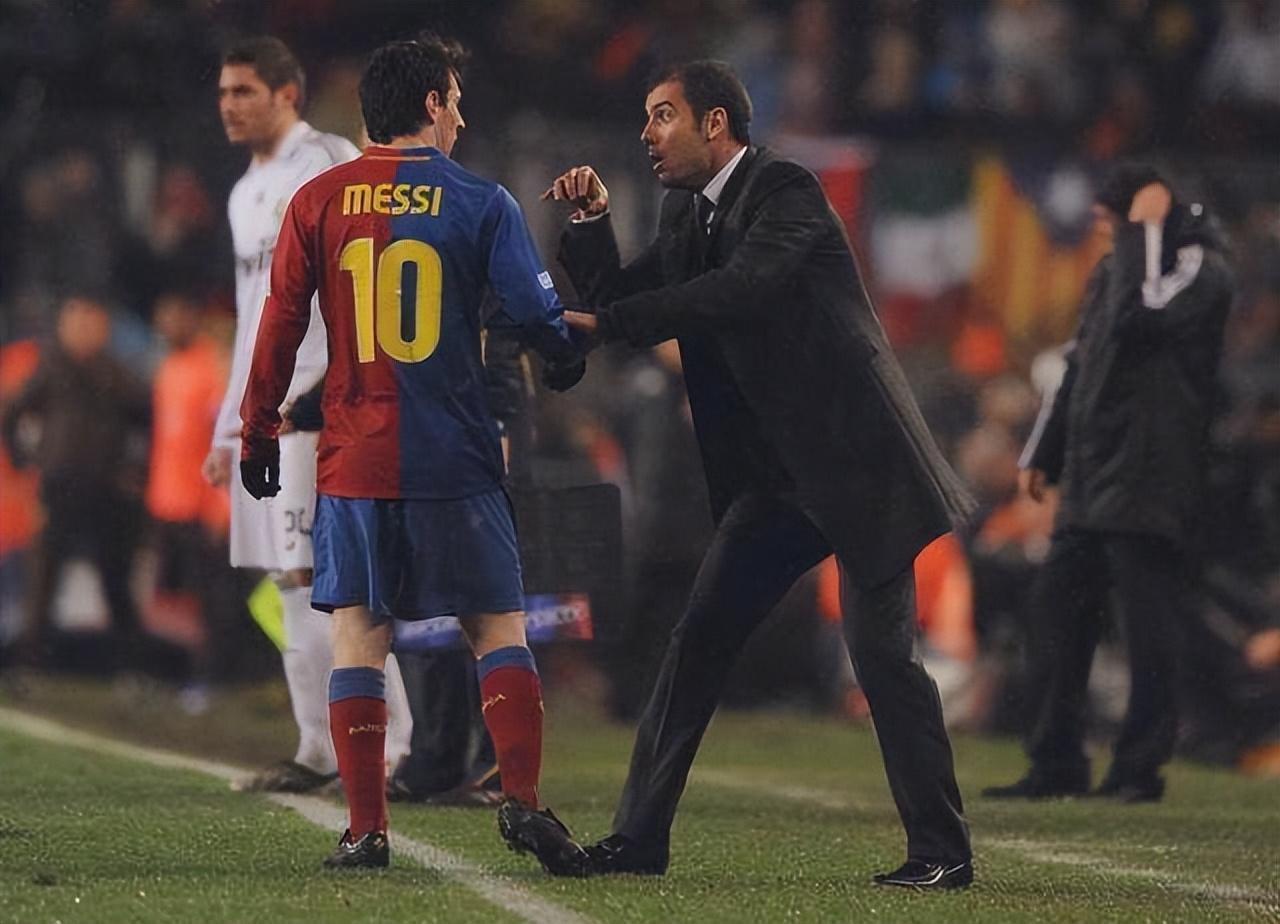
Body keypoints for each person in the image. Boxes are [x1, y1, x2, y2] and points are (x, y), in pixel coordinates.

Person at [545, 60, 974, 889]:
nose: (646, 133)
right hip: (779, 478)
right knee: (696, 643)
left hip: (856, 465)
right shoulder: (686, 210)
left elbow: (740, 292)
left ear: (715, 124)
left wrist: (607, 325)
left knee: (882, 659)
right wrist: (593, 224)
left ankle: (942, 851)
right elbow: (623, 296)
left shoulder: (786, 189)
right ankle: (638, 839)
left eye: (662, 114)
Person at [239, 35, 588, 872]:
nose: (460, 117)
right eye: (455, 101)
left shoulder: (316, 200)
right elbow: (536, 317)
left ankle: (366, 830)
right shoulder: (482, 201)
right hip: (455, 455)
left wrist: (257, 428)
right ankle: (523, 801)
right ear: (431, 103)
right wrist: (566, 350)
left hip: (354, 458)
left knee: (359, 635)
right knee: (495, 628)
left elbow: (279, 325)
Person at [983, 166, 1235, 803]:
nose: (1102, 233)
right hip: (1092, 481)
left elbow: (1141, 319)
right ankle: (1056, 761)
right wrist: (1045, 450)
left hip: (1150, 479)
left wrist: (1141, 231)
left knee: (1149, 632)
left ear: (1144, 212)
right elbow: (1079, 363)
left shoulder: (1202, 268)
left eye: (1109, 221)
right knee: (1054, 618)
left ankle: (1138, 770)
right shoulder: (1116, 270)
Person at [203, 36, 411, 793]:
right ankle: (317, 746)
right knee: (290, 581)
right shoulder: (243, 192)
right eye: (223, 92)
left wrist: (324, 391)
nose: (228, 106)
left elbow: (356, 284)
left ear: (287, 94)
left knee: (329, 578)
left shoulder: (325, 162)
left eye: (244, 92)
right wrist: (230, 424)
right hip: (267, 411)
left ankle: (392, 748)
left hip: (315, 406)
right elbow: (252, 316)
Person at [2, 295, 152, 670]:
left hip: (105, 491)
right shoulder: (50, 367)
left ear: (103, 328)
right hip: (57, 488)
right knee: (42, 580)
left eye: (89, 322)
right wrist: (24, 463)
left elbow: (149, 422)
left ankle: (133, 668)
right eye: (75, 321)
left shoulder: (116, 373)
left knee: (115, 580)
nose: (82, 330)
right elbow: (12, 413)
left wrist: (136, 471)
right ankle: (30, 665)